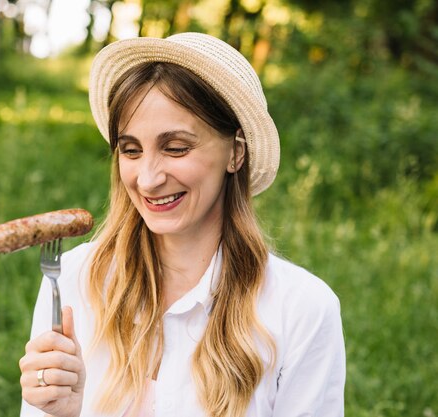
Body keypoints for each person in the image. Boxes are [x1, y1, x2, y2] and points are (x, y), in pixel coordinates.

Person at [18, 32, 345, 417]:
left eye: (176, 148)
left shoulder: (302, 309)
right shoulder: (72, 278)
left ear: (235, 153)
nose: (149, 178)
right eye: (131, 150)